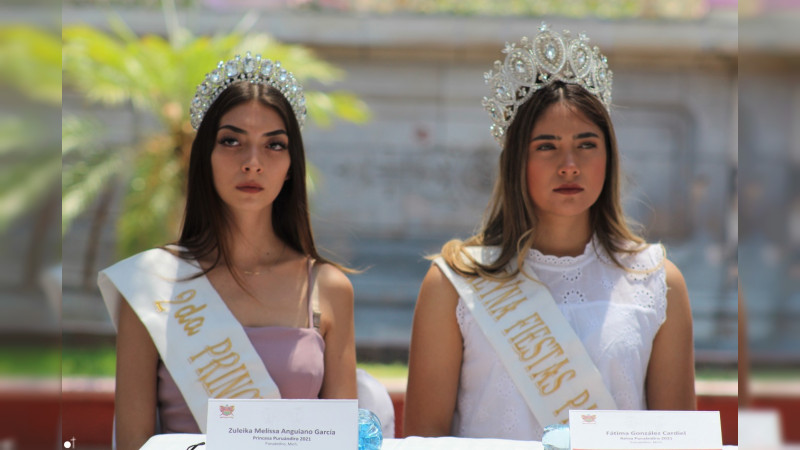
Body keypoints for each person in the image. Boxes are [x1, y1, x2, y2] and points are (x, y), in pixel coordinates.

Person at [404, 25, 696, 441]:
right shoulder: (456, 282)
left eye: (587, 144)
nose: (570, 165)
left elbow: (677, 439)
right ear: (515, 161)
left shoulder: (657, 280)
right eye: (546, 146)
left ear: (609, 156)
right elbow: (425, 440)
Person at [98, 53, 357, 450]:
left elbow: (344, 441)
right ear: (204, 156)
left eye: (274, 145)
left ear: (291, 165)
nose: (252, 163)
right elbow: (134, 444)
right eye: (231, 141)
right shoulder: (153, 285)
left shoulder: (328, 288)